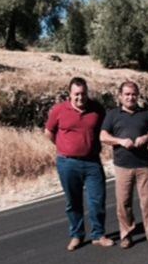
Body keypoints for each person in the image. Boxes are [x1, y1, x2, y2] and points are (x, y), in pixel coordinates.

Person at [45, 77, 114, 251]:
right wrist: (63, 146)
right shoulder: (59, 110)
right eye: (76, 94)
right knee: (73, 202)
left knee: (97, 200)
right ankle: (76, 235)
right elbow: (49, 132)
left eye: (83, 94)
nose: (80, 97)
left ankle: (98, 234)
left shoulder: (96, 109)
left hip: (92, 163)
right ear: (70, 94)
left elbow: (104, 131)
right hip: (67, 163)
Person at [100, 81, 148, 249]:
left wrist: (146, 137)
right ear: (120, 96)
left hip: (143, 164)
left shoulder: (145, 113)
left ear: (137, 95)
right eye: (127, 94)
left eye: (133, 94)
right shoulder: (113, 114)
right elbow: (103, 136)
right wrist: (120, 141)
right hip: (122, 165)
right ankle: (126, 234)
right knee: (123, 202)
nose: (130, 97)